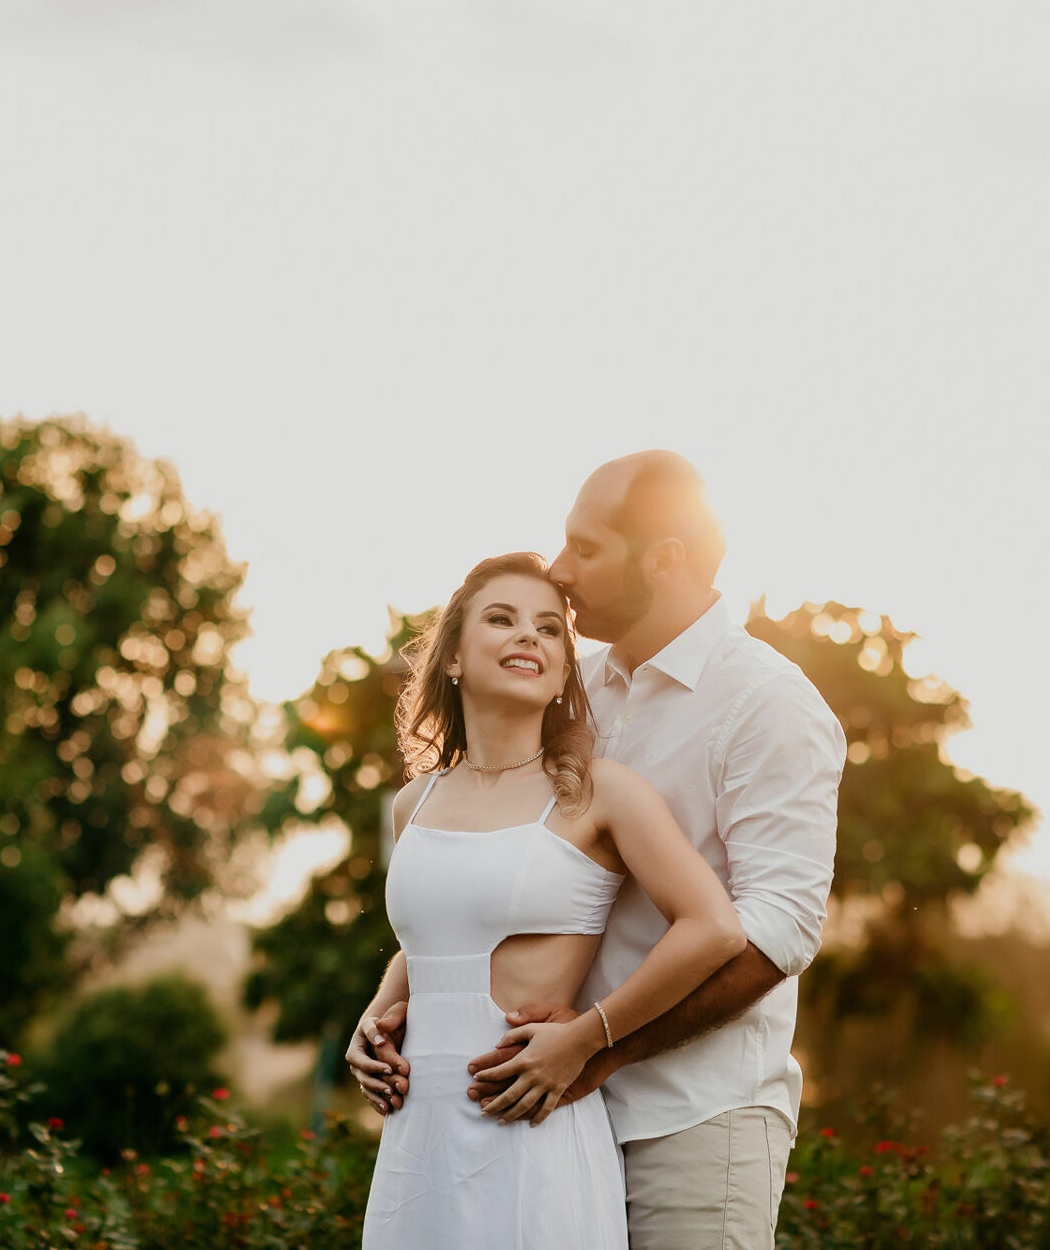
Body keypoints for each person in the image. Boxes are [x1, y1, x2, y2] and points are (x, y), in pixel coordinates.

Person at [354, 451, 846, 1250]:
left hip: (693, 1114)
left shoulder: (769, 704)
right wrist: (391, 1010)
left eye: (585, 548)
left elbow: (778, 930)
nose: (558, 570)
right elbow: (480, 879)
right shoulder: (571, 687)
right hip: (546, 1106)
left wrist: (597, 1045)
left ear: (664, 561)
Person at [352, 550, 747, 1250]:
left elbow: (713, 928)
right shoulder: (413, 803)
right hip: (418, 1141)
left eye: (550, 629)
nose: (529, 636)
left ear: (566, 668)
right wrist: (375, 1020)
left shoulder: (600, 792)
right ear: (452, 658)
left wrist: (590, 1035)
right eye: (501, 619)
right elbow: (430, 941)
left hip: (531, 1129)